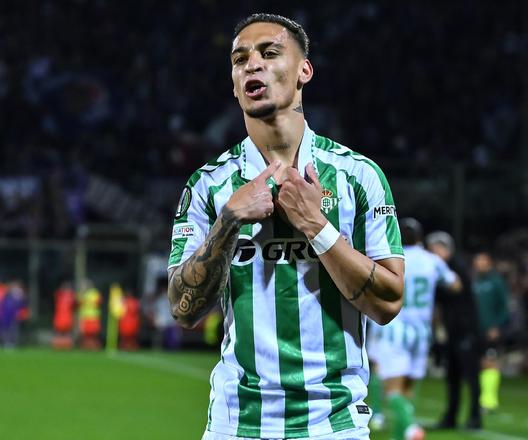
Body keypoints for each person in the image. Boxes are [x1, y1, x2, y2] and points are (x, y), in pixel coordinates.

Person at [167, 13, 405, 440]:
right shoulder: (209, 185)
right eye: (240, 59)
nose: (252, 64)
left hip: (335, 424)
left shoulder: (358, 176)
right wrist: (228, 222)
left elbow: (388, 304)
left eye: (269, 52)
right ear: (235, 84)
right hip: (236, 424)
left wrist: (315, 225)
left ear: (304, 71)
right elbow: (183, 310)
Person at [367, 220, 460, 440]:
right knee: (408, 388)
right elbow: (455, 284)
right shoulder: (432, 260)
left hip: (394, 329)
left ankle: (410, 427)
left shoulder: (390, 258)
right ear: (420, 238)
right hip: (421, 333)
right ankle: (399, 436)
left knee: (392, 388)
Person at [425, 231, 481, 430]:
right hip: (452, 330)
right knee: (453, 376)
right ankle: (451, 416)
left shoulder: (457, 268)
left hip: (465, 329)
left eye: (434, 250)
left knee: (470, 376)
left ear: (445, 249)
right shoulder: (445, 269)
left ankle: (475, 416)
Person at [472, 251, 509, 413]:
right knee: (479, 364)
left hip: (490, 330)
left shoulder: (496, 282)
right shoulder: (474, 282)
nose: (479, 264)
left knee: (490, 363)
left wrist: (496, 326)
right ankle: (482, 399)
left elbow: (504, 307)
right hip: (475, 330)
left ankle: (489, 401)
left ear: (489, 263)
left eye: (483, 261)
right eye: (477, 260)